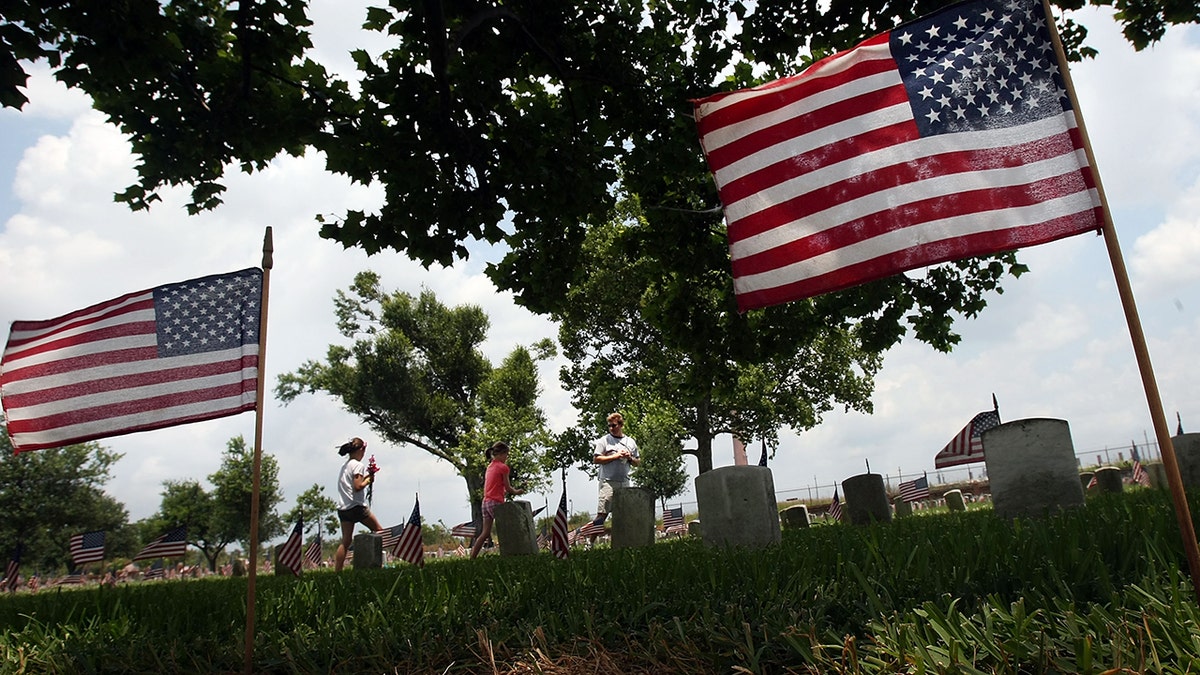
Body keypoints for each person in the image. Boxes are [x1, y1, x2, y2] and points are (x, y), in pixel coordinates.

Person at [334, 437, 384, 571]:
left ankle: (337, 570)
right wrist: (368, 481)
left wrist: (367, 477)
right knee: (379, 530)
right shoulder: (357, 465)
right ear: (361, 450)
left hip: (343, 508)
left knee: (346, 541)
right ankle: (376, 563)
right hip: (356, 506)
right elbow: (357, 486)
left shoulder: (345, 466)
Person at [470, 441, 524, 559]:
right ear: (501, 454)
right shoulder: (503, 467)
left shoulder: (490, 466)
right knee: (506, 529)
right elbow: (508, 488)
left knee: (484, 533)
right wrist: (517, 491)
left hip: (485, 502)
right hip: (496, 502)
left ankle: (472, 557)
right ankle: (510, 554)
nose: (507, 457)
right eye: (506, 455)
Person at [591, 412, 640, 535]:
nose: (611, 428)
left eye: (613, 425)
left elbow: (637, 462)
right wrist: (616, 456)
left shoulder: (630, 442)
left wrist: (629, 458)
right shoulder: (604, 441)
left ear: (620, 425)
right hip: (607, 482)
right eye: (609, 426)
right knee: (602, 514)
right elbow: (596, 459)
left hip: (624, 481)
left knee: (624, 513)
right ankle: (589, 543)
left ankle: (623, 540)